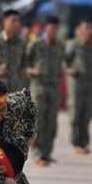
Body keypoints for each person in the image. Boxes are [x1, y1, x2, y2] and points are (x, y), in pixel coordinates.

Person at [25, 15, 64, 165]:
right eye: (51, 27)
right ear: (45, 28)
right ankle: (38, 152)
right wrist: (31, 71)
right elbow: (24, 64)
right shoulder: (35, 45)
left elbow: (64, 62)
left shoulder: (60, 46)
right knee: (39, 120)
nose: (53, 30)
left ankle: (47, 152)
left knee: (52, 121)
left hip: (54, 87)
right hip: (39, 86)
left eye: (56, 28)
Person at [64, 18, 92, 155]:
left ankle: (84, 142)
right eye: (87, 28)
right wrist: (69, 70)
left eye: (91, 28)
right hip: (76, 83)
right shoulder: (73, 44)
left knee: (87, 113)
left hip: (90, 84)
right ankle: (76, 142)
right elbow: (64, 61)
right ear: (81, 29)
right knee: (75, 113)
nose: (89, 31)